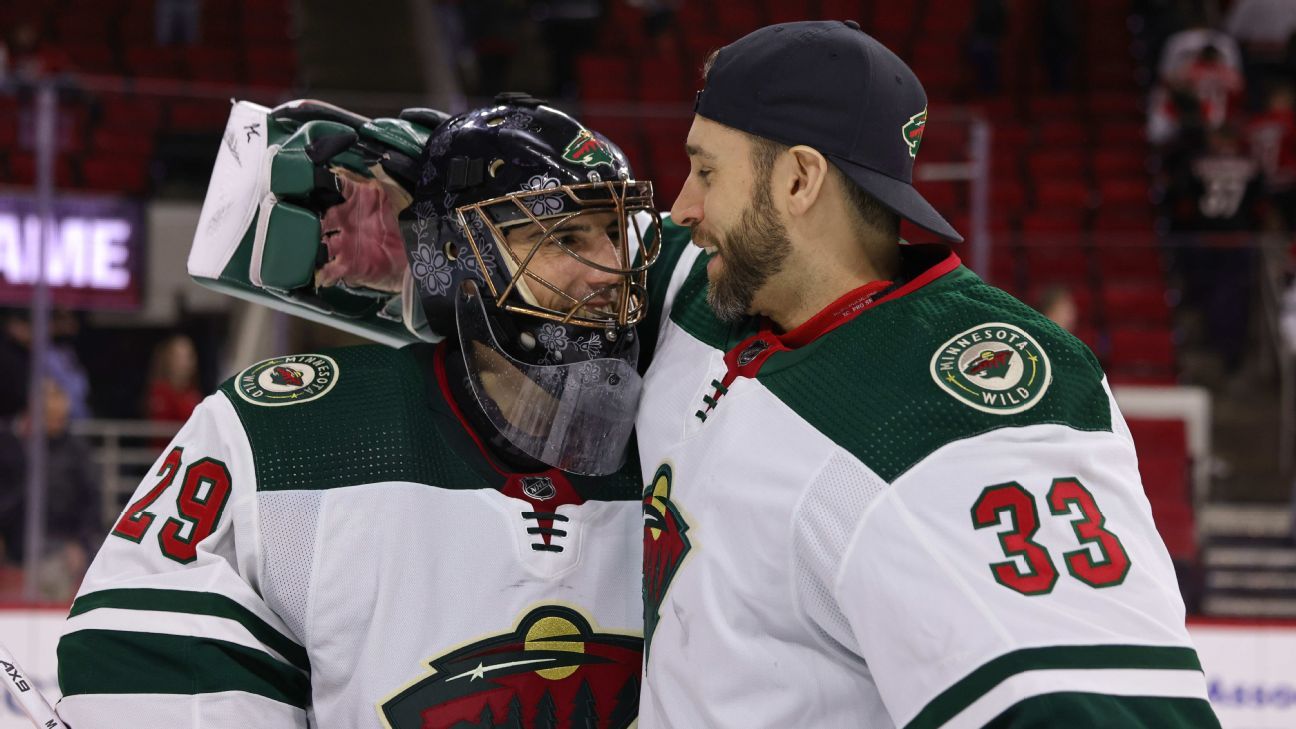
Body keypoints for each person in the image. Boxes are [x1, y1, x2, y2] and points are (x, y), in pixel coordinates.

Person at [634, 21, 1220, 727]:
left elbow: (1104, 708)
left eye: (706, 171)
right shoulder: (708, 286)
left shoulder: (958, 399)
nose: (681, 208)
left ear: (798, 178)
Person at [56, 96, 657, 727]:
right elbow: (145, 670)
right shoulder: (284, 436)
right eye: (564, 236)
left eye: (618, 232)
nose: (613, 271)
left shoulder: (691, 423)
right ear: (454, 253)